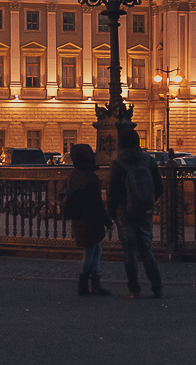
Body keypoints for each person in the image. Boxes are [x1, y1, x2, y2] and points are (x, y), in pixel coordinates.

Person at [107, 125, 164, 299]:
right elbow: (159, 187)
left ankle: (134, 289)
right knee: (146, 249)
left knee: (130, 251)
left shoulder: (118, 163)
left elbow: (112, 192)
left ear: (121, 144)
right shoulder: (148, 160)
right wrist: (147, 201)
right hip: (144, 210)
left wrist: (111, 213)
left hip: (125, 212)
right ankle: (157, 288)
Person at [60, 143, 111, 297]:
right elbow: (97, 203)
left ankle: (90, 283)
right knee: (91, 251)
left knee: (94, 249)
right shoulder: (91, 177)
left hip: (79, 218)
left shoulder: (72, 174)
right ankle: (88, 283)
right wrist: (107, 222)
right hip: (91, 220)